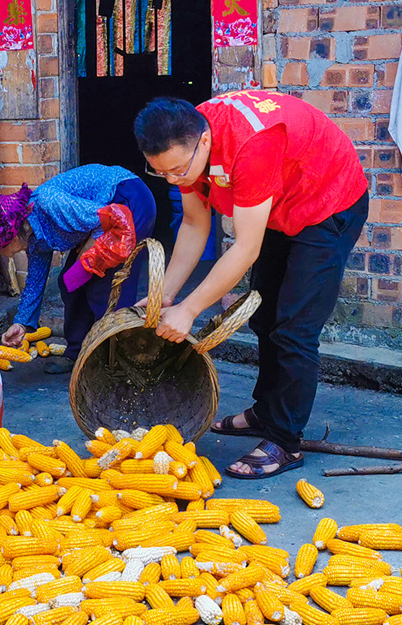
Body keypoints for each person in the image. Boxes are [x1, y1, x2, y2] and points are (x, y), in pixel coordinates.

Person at [134, 90, 369, 479]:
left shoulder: (251, 145)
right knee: (264, 315)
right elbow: (193, 223)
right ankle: (267, 411)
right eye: (161, 172)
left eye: (177, 171)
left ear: (204, 141)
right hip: (278, 204)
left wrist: (189, 310)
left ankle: (285, 440)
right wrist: (167, 294)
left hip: (327, 202)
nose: (173, 179)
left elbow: (245, 249)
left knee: (295, 328)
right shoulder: (186, 142)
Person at [0, 165, 156, 373]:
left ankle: (116, 362)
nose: (7, 256)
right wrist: (22, 324)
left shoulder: (49, 204)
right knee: (70, 283)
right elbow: (35, 281)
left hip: (127, 202)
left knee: (103, 288)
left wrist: (88, 250)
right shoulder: (32, 237)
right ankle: (78, 354)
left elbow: (113, 216)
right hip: (104, 217)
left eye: (0, 251)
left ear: (11, 236)